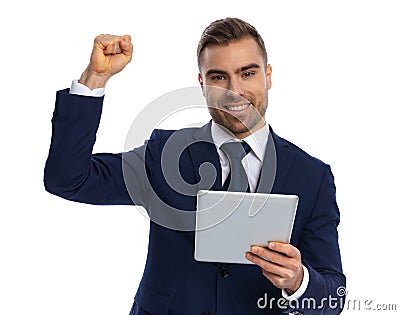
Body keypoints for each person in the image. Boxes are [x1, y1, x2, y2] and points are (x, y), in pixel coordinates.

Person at [44, 18, 346, 314]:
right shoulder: (164, 154)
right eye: (218, 77)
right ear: (202, 83)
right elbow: (69, 179)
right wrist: (94, 80)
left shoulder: (313, 176)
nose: (234, 91)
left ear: (268, 76)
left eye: (247, 73)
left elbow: (333, 296)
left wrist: (297, 281)